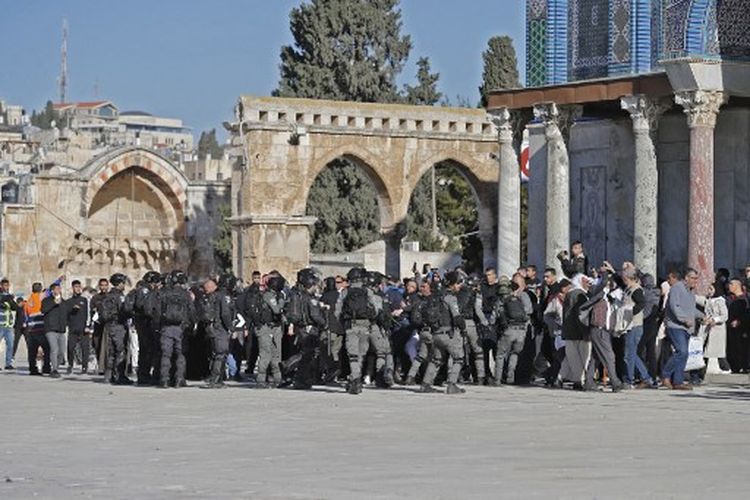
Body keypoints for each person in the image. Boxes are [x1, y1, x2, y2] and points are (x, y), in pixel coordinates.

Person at [413, 272, 466, 394]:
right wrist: (463, 329)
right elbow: (457, 317)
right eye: (458, 283)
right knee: (459, 359)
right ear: (452, 284)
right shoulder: (450, 298)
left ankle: (425, 384)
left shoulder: (434, 296)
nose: (459, 286)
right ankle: (452, 385)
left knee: (436, 360)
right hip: (448, 334)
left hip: (435, 334)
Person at [335, 267, 380, 395]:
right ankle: (355, 378)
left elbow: (337, 310)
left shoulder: (345, 292)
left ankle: (355, 379)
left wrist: (342, 322)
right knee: (360, 355)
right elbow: (375, 309)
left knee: (352, 355)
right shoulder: (368, 291)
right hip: (365, 326)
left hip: (351, 326)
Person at [286, 268, 327, 389]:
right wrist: (324, 323)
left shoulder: (298, 295)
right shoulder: (310, 298)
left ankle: (301, 378)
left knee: (306, 354)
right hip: (310, 329)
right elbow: (315, 315)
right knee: (307, 355)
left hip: (302, 328)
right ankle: (290, 369)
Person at [662, 268, 702, 390]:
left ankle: (677, 381)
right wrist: (684, 319)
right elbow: (675, 306)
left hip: (687, 328)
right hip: (675, 326)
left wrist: (703, 316)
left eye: (697, 278)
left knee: (683, 354)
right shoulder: (677, 288)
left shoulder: (691, 292)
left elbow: (691, 310)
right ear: (686, 278)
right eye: (693, 278)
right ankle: (666, 375)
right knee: (682, 351)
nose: (696, 281)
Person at [156, 270, 195, 388]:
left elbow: (157, 311)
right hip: (181, 328)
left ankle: (164, 379)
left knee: (166, 354)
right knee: (181, 354)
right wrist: (192, 325)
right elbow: (192, 311)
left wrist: (157, 326)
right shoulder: (186, 294)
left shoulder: (163, 293)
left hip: (166, 327)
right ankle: (179, 379)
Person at [492, 273, 533, 386]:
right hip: (521, 331)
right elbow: (528, 311)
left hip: (508, 330)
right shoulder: (518, 298)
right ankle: (511, 377)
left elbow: (494, 317)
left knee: (500, 354)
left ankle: (497, 379)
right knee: (515, 353)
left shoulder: (500, 301)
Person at [621, 268, 655, 388]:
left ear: (628, 278)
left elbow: (641, 303)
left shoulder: (636, 290)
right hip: (628, 325)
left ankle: (630, 380)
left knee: (629, 354)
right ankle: (647, 378)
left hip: (634, 325)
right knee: (631, 354)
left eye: (624, 278)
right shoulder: (628, 289)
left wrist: (631, 311)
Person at [125, 271, 161, 385]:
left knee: (145, 350)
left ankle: (144, 374)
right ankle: (144, 375)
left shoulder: (140, 290)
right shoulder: (145, 291)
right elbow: (145, 307)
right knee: (147, 350)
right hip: (145, 323)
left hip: (141, 323)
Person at [200, 277, 235, 388]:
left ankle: (218, 379)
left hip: (212, 328)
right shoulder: (221, 296)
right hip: (220, 328)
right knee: (220, 354)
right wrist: (230, 327)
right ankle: (215, 379)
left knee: (218, 353)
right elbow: (225, 313)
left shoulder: (211, 297)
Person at [254, 274, 286, 388]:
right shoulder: (268, 295)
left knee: (276, 354)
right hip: (265, 328)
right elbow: (276, 310)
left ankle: (278, 378)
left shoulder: (275, 295)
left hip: (275, 327)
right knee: (265, 354)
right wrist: (282, 301)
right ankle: (261, 379)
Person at [456, 276, 487, 385]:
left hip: (458, 323)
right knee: (478, 350)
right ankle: (480, 377)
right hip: (470, 323)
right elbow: (478, 310)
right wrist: (485, 323)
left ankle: (455, 375)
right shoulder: (476, 294)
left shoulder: (457, 293)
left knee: (458, 351)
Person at [698, 284, 730, 375]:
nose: (709, 291)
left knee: (717, 351)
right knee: (705, 350)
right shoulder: (708, 300)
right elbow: (699, 300)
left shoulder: (720, 301)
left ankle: (725, 368)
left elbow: (724, 316)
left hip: (717, 329)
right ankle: (700, 372)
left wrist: (714, 320)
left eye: (711, 289)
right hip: (707, 329)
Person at [41, 283, 67, 379]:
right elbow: (43, 310)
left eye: (59, 288)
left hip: (61, 330)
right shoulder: (46, 301)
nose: (59, 290)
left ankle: (56, 367)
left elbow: (66, 315)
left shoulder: (63, 302)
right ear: (52, 291)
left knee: (61, 352)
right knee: (54, 349)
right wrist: (54, 303)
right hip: (50, 329)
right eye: (56, 289)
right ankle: (54, 369)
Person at [65, 280, 90, 375]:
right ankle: (70, 364)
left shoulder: (84, 300)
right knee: (70, 348)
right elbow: (66, 314)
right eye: (76, 287)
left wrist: (88, 326)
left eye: (79, 287)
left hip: (83, 328)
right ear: (73, 288)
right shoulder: (68, 302)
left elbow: (88, 313)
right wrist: (72, 310)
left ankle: (84, 366)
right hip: (73, 327)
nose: (78, 289)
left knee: (85, 348)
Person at [25, 282, 50, 375]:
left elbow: (26, 316)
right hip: (41, 328)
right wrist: (59, 280)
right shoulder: (40, 297)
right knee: (47, 349)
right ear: (40, 289)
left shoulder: (28, 300)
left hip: (31, 329)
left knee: (32, 352)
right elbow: (51, 290)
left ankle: (32, 369)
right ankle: (46, 368)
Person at [726, 278, 750, 373]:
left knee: (743, 348)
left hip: (743, 329)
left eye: (731, 284)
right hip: (731, 329)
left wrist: (740, 321)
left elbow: (747, 313)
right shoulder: (729, 299)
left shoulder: (745, 299)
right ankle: (735, 366)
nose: (729, 286)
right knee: (733, 348)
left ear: (737, 286)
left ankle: (744, 366)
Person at [90, 278, 110, 374]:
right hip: (98, 325)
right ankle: (100, 365)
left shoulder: (110, 297)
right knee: (97, 345)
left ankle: (107, 367)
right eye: (102, 285)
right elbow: (91, 311)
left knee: (106, 346)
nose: (104, 287)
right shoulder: (95, 298)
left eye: (105, 285)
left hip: (107, 325)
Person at [0, 278, 16, 370]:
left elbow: (14, 308)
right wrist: (9, 297)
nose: (6, 287)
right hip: (0, 324)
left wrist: (13, 301)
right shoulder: (2, 295)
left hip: (8, 325)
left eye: (7, 285)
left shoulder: (9, 296)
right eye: (5, 286)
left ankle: (8, 363)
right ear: (1, 286)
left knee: (10, 345)